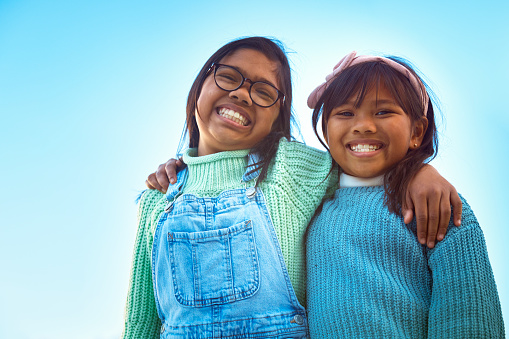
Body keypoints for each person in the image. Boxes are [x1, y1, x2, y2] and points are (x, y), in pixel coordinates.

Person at [125, 36, 461, 338]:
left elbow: (368, 157)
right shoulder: (158, 200)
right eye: (227, 76)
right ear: (199, 86)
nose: (241, 93)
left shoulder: (293, 168)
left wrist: (419, 170)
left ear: (278, 116)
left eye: (263, 92)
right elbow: (141, 324)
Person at [305, 52, 505, 337]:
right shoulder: (308, 200)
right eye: (345, 113)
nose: (362, 125)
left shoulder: (437, 206)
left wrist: (420, 171)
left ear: (417, 132)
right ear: (326, 129)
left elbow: (470, 318)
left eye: (383, 111)